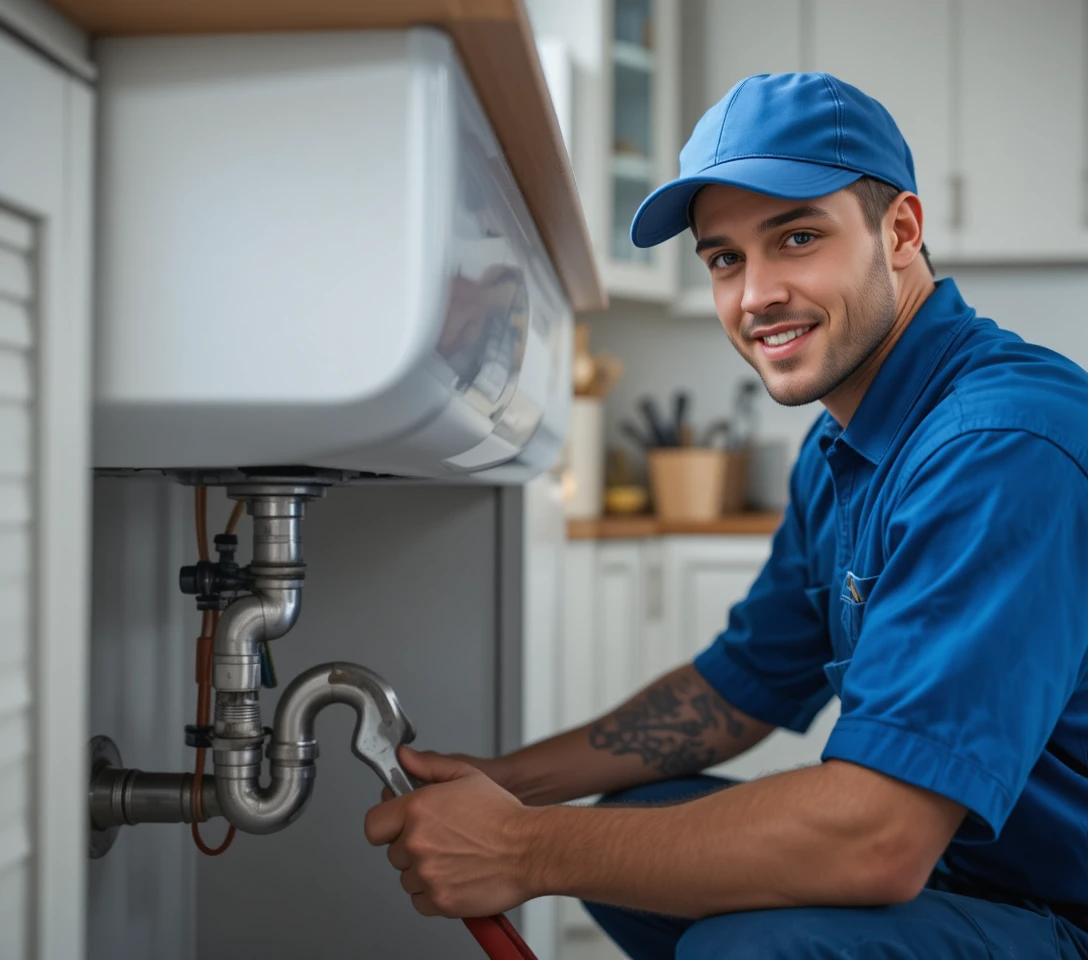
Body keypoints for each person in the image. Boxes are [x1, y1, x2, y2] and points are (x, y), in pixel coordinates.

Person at [364, 72, 1088, 958]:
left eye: (797, 238)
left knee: (742, 948)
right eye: (724, 259)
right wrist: (509, 786)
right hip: (969, 878)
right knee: (637, 828)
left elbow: (881, 836)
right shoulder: (846, 447)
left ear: (900, 231)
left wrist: (521, 848)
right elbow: (739, 686)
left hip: (1059, 908)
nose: (754, 296)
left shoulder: (998, 447)